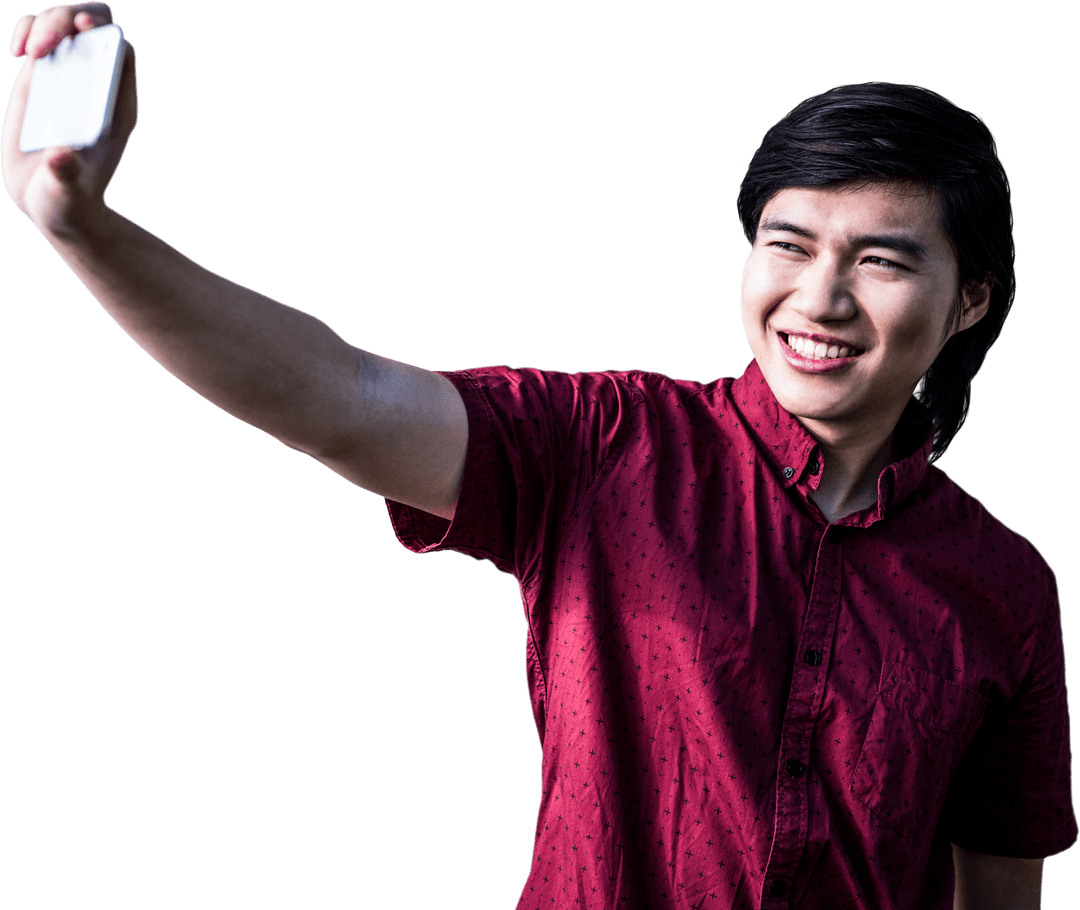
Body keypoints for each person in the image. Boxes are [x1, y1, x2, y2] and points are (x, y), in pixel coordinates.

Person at [3, 5, 1075, 909]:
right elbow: (344, 395)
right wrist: (85, 228)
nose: (820, 297)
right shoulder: (608, 445)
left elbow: (998, 892)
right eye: (788, 245)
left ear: (969, 299)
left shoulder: (1008, 587)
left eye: (880, 260)